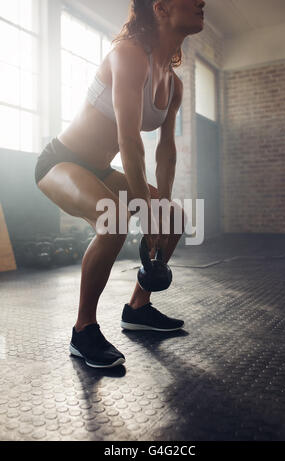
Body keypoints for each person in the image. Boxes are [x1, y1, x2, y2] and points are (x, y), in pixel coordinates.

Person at [35, 0, 206, 368]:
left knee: (174, 219)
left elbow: (166, 153)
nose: (201, 1)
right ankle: (83, 330)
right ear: (160, 8)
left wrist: (160, 211)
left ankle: (138, 308)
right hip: (60, 161)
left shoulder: (173, 84)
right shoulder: (128, 54)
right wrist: (145, 213)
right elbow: (129, 140)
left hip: (100, 167)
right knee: (113, 221)